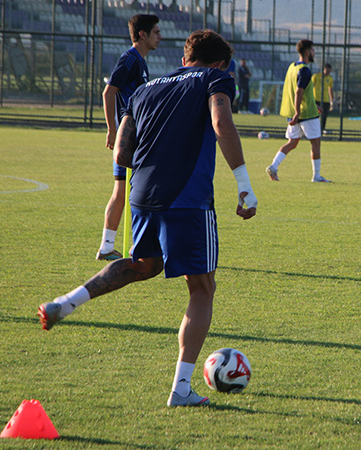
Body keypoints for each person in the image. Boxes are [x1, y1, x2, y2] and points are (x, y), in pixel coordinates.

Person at [38, 30, 258, 408]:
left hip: (141, 195)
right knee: (202, 288)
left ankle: (67, 301)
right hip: (188, 199)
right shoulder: (215, 78)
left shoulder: (145, 88)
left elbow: (122, 152)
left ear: (186, 56)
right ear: (220, 63)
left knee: (144, 264)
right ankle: (181, 389)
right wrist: (244, 185)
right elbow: (221, 123)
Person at [97, 14, 161, 261]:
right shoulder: (130, 59)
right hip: (130, 138)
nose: (160, 36)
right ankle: (133, 246)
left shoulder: (140, 62)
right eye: (156, 32)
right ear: (142, 34)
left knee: (123, 191)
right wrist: (113, 130)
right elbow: (108, 92)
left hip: (135, 137)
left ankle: (107, 246)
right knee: (132, 191)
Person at [265, 39, 330, 183]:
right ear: (307, 52)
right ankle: (316, 176)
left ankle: (274, 166)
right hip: (305, 113)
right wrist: (298, 113)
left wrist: (313, 105)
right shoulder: (305, 70)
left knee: (292, 142)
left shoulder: (292, 66)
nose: (314, 52)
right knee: (316, 142)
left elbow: (301, 91)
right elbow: (298, 92)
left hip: (294, 112)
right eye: (313, 50)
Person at [312, 63, 335, 132]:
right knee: (314, 115)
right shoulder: (316, 76)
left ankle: (322, 129)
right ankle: (313, 129)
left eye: (329, 71)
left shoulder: (330, 78)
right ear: (323, 69)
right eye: (327, 71)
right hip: (316, 99)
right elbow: (310, 86)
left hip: (325, 100)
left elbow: (330, 89)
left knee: (324, 115)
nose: (328, 73)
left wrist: (331, 100)